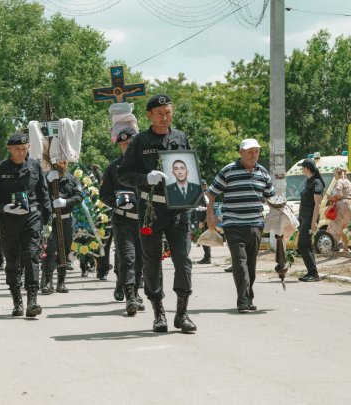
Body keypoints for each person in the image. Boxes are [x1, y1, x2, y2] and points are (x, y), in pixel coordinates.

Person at [117, 94, 196, 334]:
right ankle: (158, 312)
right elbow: (123, 174)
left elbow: (189, 168)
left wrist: (195, 194)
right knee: (152, 262)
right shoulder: (140, 141)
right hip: (151, 209)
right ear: (149, 115)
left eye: (168, 112)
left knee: (183, 260)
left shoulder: (180, 137)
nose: (165, 117)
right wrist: (145, 178)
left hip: (178, 210)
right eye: (160, 113)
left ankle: (182, 313)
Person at [0, 133, 51, 318]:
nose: (21, 152)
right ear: (9, 149)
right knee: (12, 260)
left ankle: (32, 301)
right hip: (9, 220)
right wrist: (4, 207)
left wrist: (47, 220)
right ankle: (17, 302)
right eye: (17, 149)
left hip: (32, 217)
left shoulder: (35, 166)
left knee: (31, 256)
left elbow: (43, 194)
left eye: (24, 149)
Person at [206, 139, 275, 312]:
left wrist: (282, 214)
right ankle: (243, 300)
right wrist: (210, 215)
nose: (254, 155)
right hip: (233, 224)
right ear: (241, 152)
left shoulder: (263, 173)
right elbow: (211, 193)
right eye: (250, 151)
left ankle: (248, 297)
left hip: (256, 224)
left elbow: (271, 197)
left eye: (256, 151)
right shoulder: (228, 171)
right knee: (240, 261)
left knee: (250, 264)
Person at [100, 128, 145, 315]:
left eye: (131, 143)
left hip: (143, 221)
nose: (128, 147)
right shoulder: (113, 168)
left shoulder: (146, 166)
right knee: (127, 258)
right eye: (125, 144)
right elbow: (104, 195)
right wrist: (117, 204)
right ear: (120, 145)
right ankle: (131, 297)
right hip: (123, 220)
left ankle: (134, 291)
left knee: (141, 260)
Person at [41, 159, 83, 294]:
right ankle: (47, 281)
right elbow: (38, 195)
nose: (62, 165)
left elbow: (79, 196)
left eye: (65, 162)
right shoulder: (46, 178)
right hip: (50, 221)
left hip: (66, 220)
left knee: (64, 250)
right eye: (60, 162)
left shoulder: (72, 179)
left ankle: (61, 281)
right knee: (50, 250)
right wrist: (47, 180)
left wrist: (66, 202)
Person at [295, 158, 324, 282]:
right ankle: (311, 272)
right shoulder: (308, 181)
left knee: (303, 244)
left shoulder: (316, 182)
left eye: (303, 167)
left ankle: (313, 273)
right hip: (303, 217)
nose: (302, 169)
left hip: (310, 218)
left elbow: (317, 204)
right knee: (306, 245)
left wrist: (313, 222)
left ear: (307, 168)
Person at [327, 163, 351, 251]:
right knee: (343, 227)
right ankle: (346, 247)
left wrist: (332, 197)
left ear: (337, 173)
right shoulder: (349, 182)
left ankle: (337, 244)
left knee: (335, 225)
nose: (334, 176)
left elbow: (340, 195)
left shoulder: (339, 181)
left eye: (334, 174)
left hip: (342, 206)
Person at [195, 180, 212, 264]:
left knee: (205, 239)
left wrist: (201, 221)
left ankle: (207, 258)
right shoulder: (204, 194)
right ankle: (207, 257)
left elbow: (205, 209)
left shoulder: (203, 195)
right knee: (204, 238)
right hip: (204, 220)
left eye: (205, 185)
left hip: (204, 220)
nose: (205, 186)